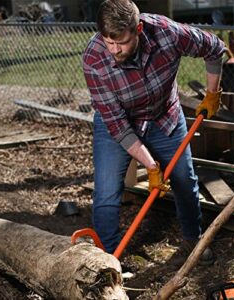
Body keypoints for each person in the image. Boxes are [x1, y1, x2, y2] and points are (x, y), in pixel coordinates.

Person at [83, 0, 226, 265]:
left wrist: (213, 93)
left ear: (138, 29)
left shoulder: (166, 33)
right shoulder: (94, 58)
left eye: (122, 43)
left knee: (185, 181)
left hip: (164, 117)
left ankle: (193, 243)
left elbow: (214, 48)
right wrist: (151, 166)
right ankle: (105, 262)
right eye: (108, 42)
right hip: (118, 123)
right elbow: (117, 125)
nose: (115, 50)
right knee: (106, 194)